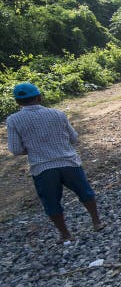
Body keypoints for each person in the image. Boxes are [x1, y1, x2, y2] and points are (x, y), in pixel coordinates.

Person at [6, 83, 104, 243]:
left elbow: (16, 150)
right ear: (39, 97)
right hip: (69, 162)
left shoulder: (13, 120)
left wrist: (32, 148)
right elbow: (74, 138)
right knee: (85, 193)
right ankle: (97, 222)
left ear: (18, 102)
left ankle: (65, 234)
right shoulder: (58, 114)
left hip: (42, 167)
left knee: (51, 203)